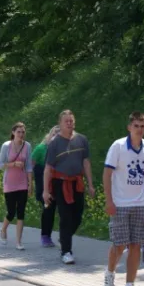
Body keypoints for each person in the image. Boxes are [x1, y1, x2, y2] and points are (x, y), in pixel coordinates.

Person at [103, 112, 144, 286]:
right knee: (119, 244)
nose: (139, 129)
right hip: (120, 203)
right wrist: (109, 200)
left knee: (136, 245)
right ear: (129, 127)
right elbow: (107, 174)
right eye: (136, 125)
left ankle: (130, 285)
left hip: (140, 203)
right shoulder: (118, 146)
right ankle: (109, 274)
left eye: (142, 126)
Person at [43, 110, 95, 264]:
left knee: (77, 216)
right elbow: (47, 168)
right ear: (60, 123)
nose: (69, 123)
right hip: (60, 183)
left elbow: (86, 162)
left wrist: (90, 184)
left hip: (77, 182)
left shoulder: (82, 140)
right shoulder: (54, 143)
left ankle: (64, 238)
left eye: (71, 121)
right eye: (66, 121)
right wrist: (46, 191)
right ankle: (66, 251)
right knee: (65, 216)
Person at [0, 122, 33, 250]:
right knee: (11, 212)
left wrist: (30, 184)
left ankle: (18, 242)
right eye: (18, 132)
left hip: (22, 182)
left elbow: (29, 165)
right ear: (13, 133)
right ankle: (3, 229)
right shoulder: (6, 146)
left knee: (21, 212)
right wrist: (13, 164)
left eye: (23, 132)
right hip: (9, 183)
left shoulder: (27, 146)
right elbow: (0, 164)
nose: (21, 134)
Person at [32, 125, 60, 247]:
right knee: (48, 209)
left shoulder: (64, 150)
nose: (55, 137)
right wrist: (30, 182)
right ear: (50, 135)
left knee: (65, 211)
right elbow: (31, 165)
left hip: (60, 183)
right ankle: (45, 236)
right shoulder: (41, 148)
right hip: (44, 184)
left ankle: (64, 236)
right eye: (54, 134)